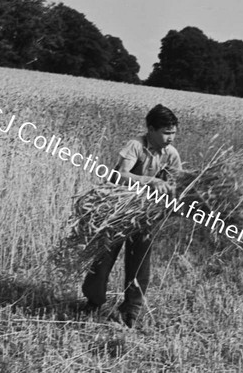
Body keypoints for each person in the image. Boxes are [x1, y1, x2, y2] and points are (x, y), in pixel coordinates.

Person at [81, 104, 182, 328]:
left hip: (146, 214)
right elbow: (119, 176)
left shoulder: (171, 154)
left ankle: (131, 310)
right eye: (166, 132)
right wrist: (152, 181)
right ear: (151, 129)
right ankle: (94, 302)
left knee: (139, 262)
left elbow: (177, 183)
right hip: (117, 211)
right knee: (105, 256)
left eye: (173, 132)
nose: (170, 137)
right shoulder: (136, 146)